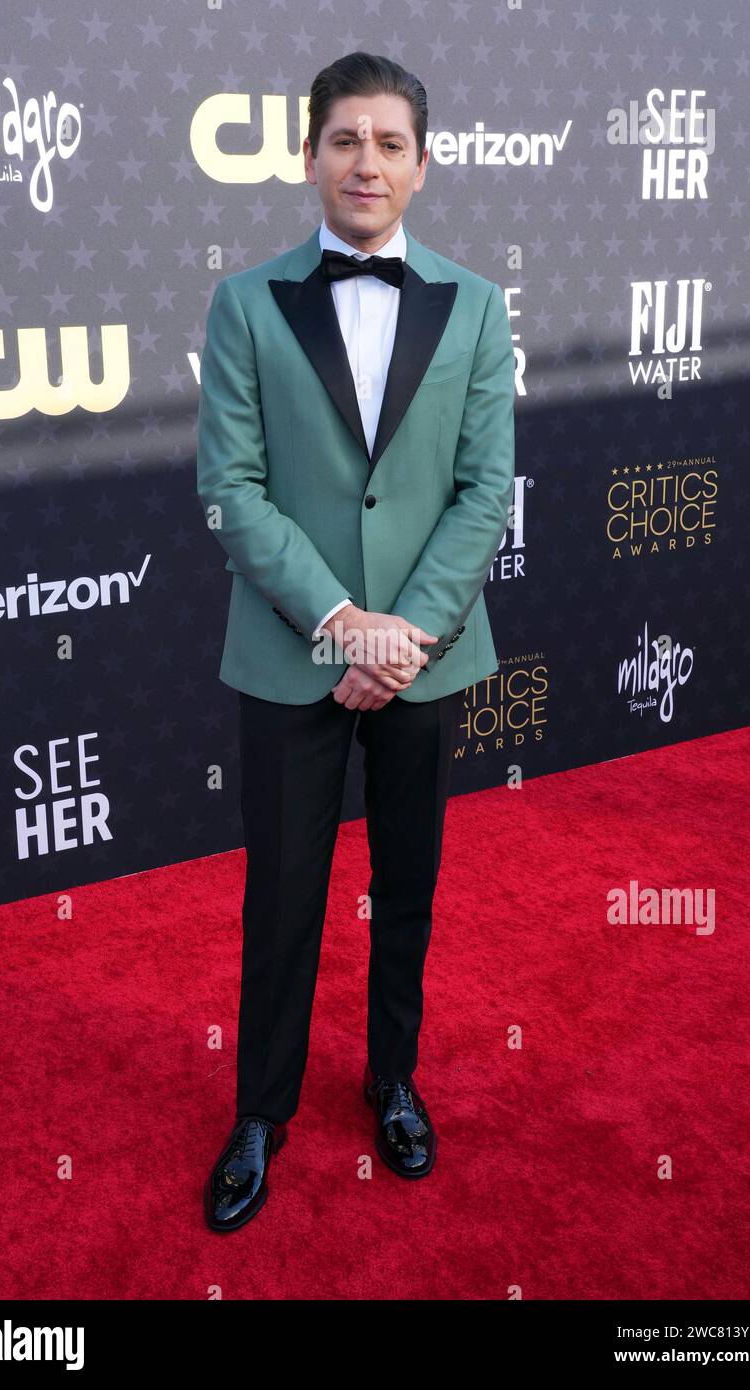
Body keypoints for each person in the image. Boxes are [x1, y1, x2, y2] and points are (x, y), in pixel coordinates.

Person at [196, 51, 516, 1231]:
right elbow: (228, 487)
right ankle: (259, 1112)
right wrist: (341, 626)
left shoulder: (476, 305)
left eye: (388, 143)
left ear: (422, 166)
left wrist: (408, 634)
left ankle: (392, 1080)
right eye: (344, 139)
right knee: (281, 894)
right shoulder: (244, 303)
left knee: (408, 887)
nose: (365, 161)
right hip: (294, 654)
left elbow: (484, 490)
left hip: (428, 658)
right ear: (308, 156)